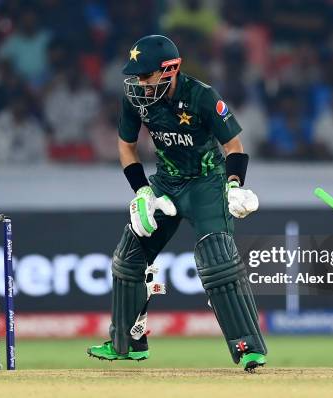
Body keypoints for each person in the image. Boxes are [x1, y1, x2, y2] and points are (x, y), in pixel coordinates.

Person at [86, 35, 267, 372]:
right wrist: (141, 193)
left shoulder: (202, 95)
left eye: (146, 76)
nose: (139, 83)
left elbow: (235, 147)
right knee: (129, 258)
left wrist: (234, 185)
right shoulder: (134, 98)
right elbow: (126, 148)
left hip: (207, 182)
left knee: (218, 263)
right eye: (136, 76)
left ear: (169, 70)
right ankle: (126, 344)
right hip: (166, 182)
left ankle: (248, 348)